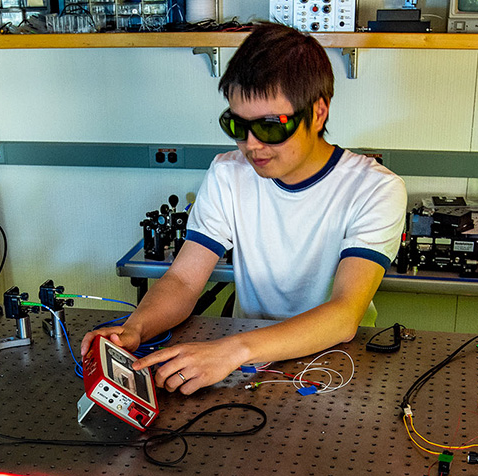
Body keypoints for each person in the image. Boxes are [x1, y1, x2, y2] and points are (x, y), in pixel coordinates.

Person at [81, 22, 407, 395]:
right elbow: (185, 280)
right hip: (246, 364)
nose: (251, 145)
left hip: (335, 365)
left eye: (270, 127)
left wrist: (231, 351)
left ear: (318, 114)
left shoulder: (375, 188)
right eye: (237, 124)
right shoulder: (228, 174)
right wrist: (135, 328)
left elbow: (344, 314)